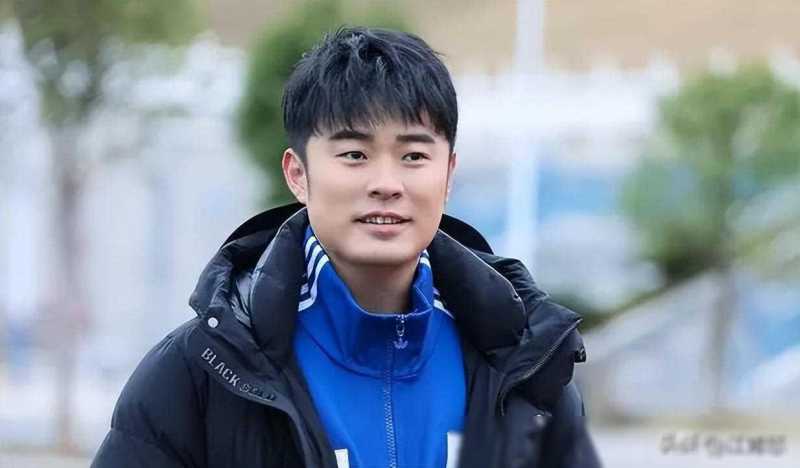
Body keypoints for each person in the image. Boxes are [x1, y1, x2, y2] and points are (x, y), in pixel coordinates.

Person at [92, 26, 601, 468]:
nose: (386, 183)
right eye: (355, 154)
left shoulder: (527, 368)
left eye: (413, 155)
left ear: (448, 174)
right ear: (298, 174)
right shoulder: (200, 371)